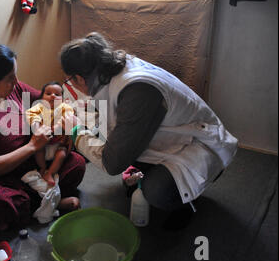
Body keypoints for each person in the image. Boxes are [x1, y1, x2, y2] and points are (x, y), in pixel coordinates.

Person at [59, 32, 238, 230]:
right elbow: (107, 120)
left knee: (155, 191)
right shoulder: (111, 68)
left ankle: (184, 204)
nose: (71, 86)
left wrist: (76, 132)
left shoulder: (136, 89)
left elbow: (112, 164)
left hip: (198, 146)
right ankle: (151, 173)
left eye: (69, 82)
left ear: (79, 78)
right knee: (115, 147)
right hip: (168, 136)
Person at [0, 41, 85, 231]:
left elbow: (48, 102)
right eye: (9, 78)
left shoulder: (16, 90)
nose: (16, 81)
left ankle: (40, 202)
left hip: (31, 166)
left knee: (77, 164)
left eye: (15, 74)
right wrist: (32, 146)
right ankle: (51, 201)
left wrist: (66, 119)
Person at [25, 81, 74, 186]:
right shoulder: (39, 107)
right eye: (48, 93)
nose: (52, 96)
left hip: (58, 144)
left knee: (62, 154)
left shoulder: (65, 107)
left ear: (63, 99)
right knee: (38, 150)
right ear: (42, 98)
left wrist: (57, 127)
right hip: (43, 142)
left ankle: (50, 173)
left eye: (57, 94)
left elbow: (69, 116)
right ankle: (42, 168)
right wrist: (36, 126)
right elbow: (31, 114)